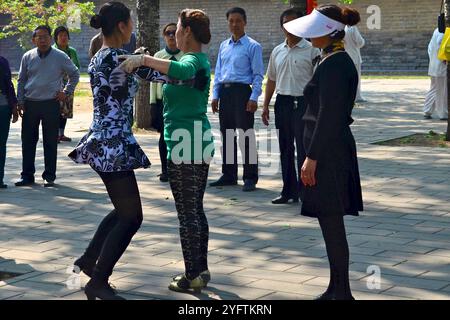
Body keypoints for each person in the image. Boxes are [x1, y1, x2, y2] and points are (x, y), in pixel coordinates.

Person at [68, 2, 166, 300]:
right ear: (122, 26)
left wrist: (152, 65)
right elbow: (119, 87)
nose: (134, 28)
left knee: (122, 211)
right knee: (131, 217)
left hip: (109, 142)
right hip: (111, 146)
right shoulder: (111, 57)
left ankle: (88, 260)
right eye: (131, 22)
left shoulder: (108, 55)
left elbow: (155, 76)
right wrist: (134, 64)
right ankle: (97, 280)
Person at [120, 8, 214, 293]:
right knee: (194, 210)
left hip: (187, 143)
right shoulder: (189, 63)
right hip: (192, 141)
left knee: (187, 213)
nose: (174, 34)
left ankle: (192, 275)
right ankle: (200, 269)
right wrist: (139, 62)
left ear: (186, 32)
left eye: (178, 29)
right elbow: (167, 77)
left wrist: (144, 59)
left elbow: (181, 71)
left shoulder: (194, 61)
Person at [284, 4, 364, 300]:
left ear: (329, 32)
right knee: (330, 222)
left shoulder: (335, 64)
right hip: (327, 149)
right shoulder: (330, 59)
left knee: (332, 222)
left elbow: (329, 116)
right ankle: (336, 287)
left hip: (329, 153)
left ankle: (342, 291)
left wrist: (312, 157)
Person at [262, 8, 320, 204]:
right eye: (285, 24)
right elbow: (271, 79)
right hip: (283, 103)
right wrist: (265, 105)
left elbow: (318, 81)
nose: (289, 28)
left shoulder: (312, 50)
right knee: (285, 148)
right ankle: (289, 190)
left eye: (293, 23)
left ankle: (307, 192)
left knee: (304, 148)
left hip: (304, 104)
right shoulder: (277, 51)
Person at [16, 25, 80, 187]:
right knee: (28, 141)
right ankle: (27, 176)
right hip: (30, 104)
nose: (43, 40)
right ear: (33, 40)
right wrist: (20, 101)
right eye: (39, 37)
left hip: (51, 104)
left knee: (50, 141)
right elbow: (21, 80)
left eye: (46, 37)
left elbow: (75, 73)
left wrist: (66, 91)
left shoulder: (60, 56)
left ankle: (49, 176)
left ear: (51, 39)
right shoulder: (27, 56)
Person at [209, 7, 264, 192]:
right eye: (231, 21)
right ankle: (229, 175)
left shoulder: (253, 46)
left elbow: (258, 75)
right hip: (225, 93)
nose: (234, 24)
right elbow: (218, 73)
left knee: (245, 135)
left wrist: (254, 97)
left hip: (243, 94)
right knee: (227, 135)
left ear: (245, 22)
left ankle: (250, 177)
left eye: (238, 20)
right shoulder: (224, 46)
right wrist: (215, 95)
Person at [149, 23, 184, 182]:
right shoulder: (158, 56)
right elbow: (153, 82)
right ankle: (165, 170)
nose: (171, 36)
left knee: (180, 136)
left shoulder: (185, 56)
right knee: (164, 136)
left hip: (180, 103)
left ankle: (180, 169)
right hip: (162, 102)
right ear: (164, 36)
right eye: (168, 33)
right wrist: (153, 105)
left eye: (173, 33)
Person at [53, 26, 80, 143]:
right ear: (56, 38)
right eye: (61, 35)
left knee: (65, 110)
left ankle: (61, 134)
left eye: (65, 35)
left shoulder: (72, 51)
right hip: (55, 85)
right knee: (55, 110)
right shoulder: (52, 50)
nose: (63, 38)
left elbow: (77, 66)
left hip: (68, 84)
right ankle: (53, 134)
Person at [0, 56, 19, 189]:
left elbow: (9, 84)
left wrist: (14, 106)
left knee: (1, 144)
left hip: (3, 107)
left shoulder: (3, 61)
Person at [424, 28, 448, 120]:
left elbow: (430, 48)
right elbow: (440, 45)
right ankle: (443, 113)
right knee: (443, 90)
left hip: (434, 64)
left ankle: (427, 109)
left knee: (435, 88)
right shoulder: (444, 31)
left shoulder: (437, 30)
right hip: (442, 64)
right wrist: (444, 59)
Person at [344, 24, 365, 102]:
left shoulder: (342, 28)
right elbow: (360, 42)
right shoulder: (353, 28)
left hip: (345, 56)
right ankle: (357, 96)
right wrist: (363, 41)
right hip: (354, 57)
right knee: (356, 79)